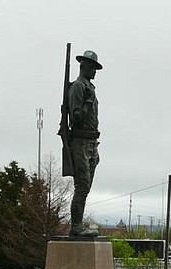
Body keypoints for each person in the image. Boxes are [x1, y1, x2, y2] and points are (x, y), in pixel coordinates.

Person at [67, 49, 102, 237]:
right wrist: (88, 103)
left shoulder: (89, 87)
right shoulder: (79, 87)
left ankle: (78, 224)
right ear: (83, 66)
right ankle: (76, 226)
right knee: (82, 186)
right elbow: (76, 117)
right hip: (80, 142)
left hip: (92, 142)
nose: (95, 71)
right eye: (93, 67)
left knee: (85, 187)